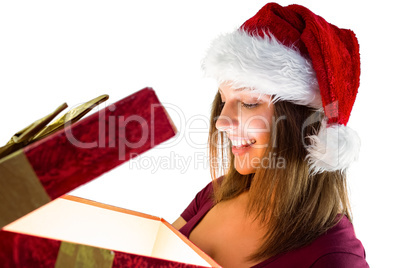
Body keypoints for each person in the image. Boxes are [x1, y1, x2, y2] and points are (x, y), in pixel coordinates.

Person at [172, 3, 369, 267]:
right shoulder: (212, 195)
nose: (221, 122)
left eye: (250, 103)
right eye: (224, 100)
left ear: (304, 121)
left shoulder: (334, 256)